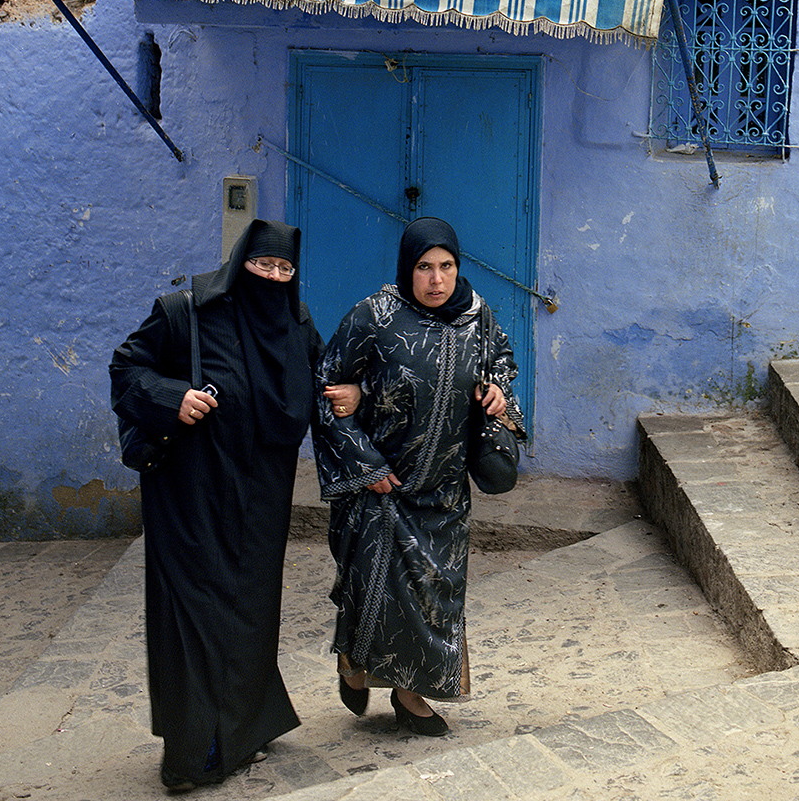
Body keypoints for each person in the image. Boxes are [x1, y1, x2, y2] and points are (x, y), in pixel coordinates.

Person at [110, 219, 353, 792]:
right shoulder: (185, 312)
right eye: (262, 265)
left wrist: (354, 393)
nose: (272, 276)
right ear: (239, 262)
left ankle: (244, 730)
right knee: (195, 616)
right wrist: (176, 397)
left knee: (249, 613)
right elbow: (127, 368)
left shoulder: (296, 324)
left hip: (262, 504)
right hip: (189, 498)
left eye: (283, 269)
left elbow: (323, 382)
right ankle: (193, 752)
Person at [314, 216, 526, 736]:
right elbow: (327, 389)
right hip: (383, 488)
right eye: (425, 268)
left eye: (447, 267)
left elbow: (501, 361)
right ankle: (353, 663)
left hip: (444, 493)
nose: (437, 280)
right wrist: (365, 465)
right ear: (407, 269)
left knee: (435, 598)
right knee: (374, 590)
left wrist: (498, 388)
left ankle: (410, 695)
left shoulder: (478, 319)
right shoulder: (375, 317)